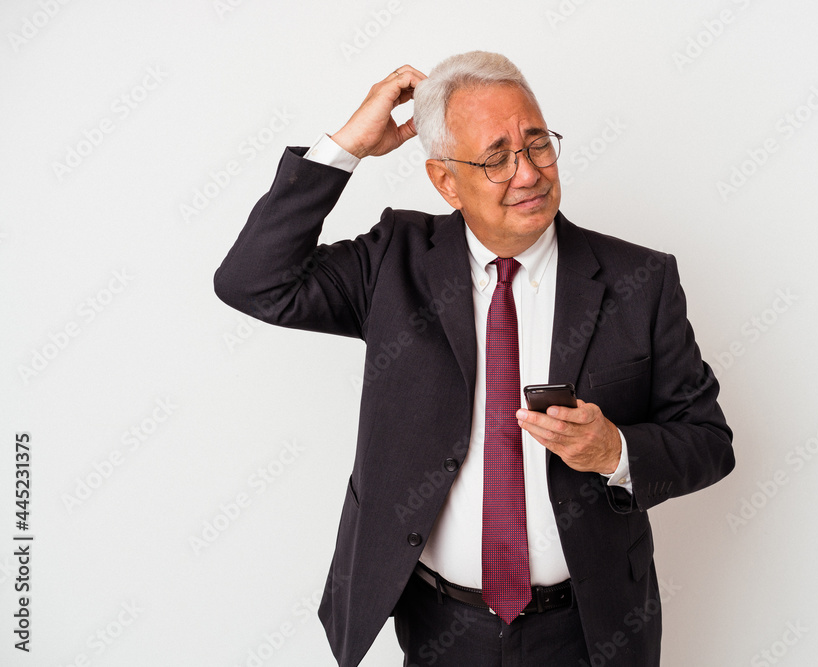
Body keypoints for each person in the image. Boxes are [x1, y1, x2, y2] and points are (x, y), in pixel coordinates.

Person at [215, 51, 734, 667]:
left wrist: (614, 451)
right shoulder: (394, 261)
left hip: (590, 630)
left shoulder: (639, 280)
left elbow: (709, 443)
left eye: (537, 144)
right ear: (444, 181)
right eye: (495, 158)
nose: (527, 173)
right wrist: (346, 147)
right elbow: (254, 282)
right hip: (441, 625)